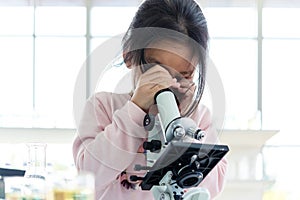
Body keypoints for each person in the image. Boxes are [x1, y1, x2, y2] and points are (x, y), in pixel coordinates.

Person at [73, 0, 227, 199]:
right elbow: (89, 177)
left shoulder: (198, 117)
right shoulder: (103, 107)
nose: (168, 83)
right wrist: (134, 111)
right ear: (129, 55)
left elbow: (213, 187)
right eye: (156, 70)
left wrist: (184, 126)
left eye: (184, 74)